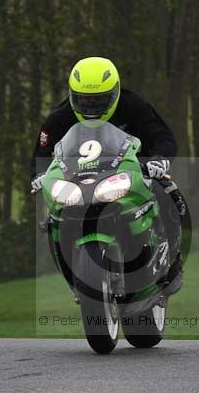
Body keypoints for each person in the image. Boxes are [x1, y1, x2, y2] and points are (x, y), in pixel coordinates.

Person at [30, 56, 184, 289]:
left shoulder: (134, 105)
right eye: (83, 100)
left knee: (169, 192)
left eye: (100, 100)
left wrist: (159, 160)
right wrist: (40, 176)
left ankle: (173, 262)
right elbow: (41, 153)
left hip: (132, 170)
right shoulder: (59, 117)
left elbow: (162, 136)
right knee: (53, 219)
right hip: (79, 178)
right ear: (72, 95)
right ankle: (72, 270)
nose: (91, 107)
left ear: (115, 92)